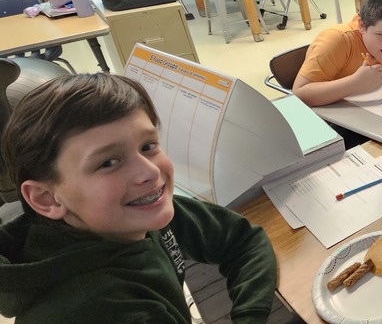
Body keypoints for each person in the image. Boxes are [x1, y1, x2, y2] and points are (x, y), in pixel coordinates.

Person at [0, 74, 277, 323]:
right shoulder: (100, 309)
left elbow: (243, 240)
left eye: (148, 146)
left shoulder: (133, 215)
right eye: (108, 162)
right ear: (47, 199)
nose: (150, 171)